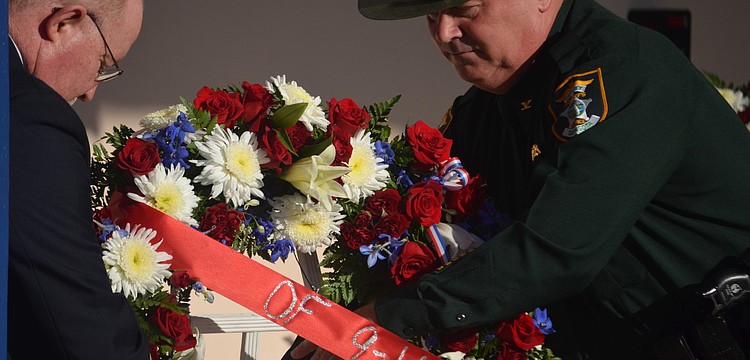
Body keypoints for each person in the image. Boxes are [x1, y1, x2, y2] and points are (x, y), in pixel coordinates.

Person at [291, 0, 750, 359]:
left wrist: (393, 315)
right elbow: (425, 216)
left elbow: (560, 247)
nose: (445, 33)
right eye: (433, 15)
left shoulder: (623, 68)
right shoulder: (489, 107)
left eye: (465, 10)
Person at [8, 1, 149, 359]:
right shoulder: (29, 116)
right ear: (64, 22)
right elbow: (82, 329)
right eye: (103, 64)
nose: (90, 93)